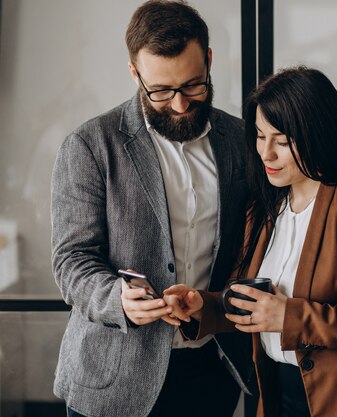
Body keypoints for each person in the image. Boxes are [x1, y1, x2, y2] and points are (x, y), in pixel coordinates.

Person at [166, 66, 337, 417]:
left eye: (282, 141)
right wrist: (204, 306)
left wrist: (291, 316)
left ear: (317, 135)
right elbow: (255, 306)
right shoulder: (264, 206)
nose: (266, 153)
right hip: (279, 393)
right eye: (259, 136)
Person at [51, 1, 251, 416]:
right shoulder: (90, 145)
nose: (179, 105)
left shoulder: (242, 141)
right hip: (112, 378)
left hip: (211, 372)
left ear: (209, 61)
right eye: (160, 91)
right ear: (134, 73)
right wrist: (117, 299)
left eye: (194, 85)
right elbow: (71, 260)